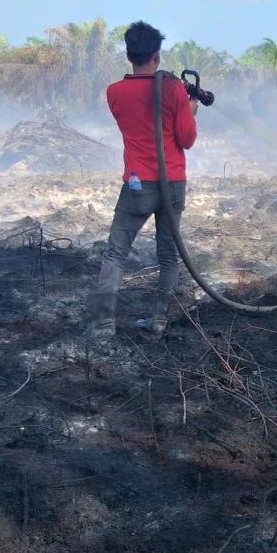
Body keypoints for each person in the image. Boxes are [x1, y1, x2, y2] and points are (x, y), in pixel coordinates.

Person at [88, 21, 199, 339]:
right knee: (167, 255)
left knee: (115, 253)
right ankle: (159, 321)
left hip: (137, 184)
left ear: (129, 55)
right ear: (157, 55)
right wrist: (188, 110)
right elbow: (186, 139)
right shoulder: (173, 89)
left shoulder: (114, 93)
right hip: (172, 183)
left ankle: (103, 325)